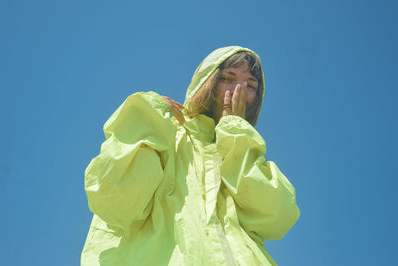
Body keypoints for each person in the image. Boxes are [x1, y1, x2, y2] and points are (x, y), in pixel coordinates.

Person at [81, 46, 300, 265]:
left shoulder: (244, 148)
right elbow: (115, 197)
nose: (237, 90)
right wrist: (148, 115)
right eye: (227, 78)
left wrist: (235, 134)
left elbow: (278, 217)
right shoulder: (165, 133)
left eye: (250, 85)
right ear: (208, 82)